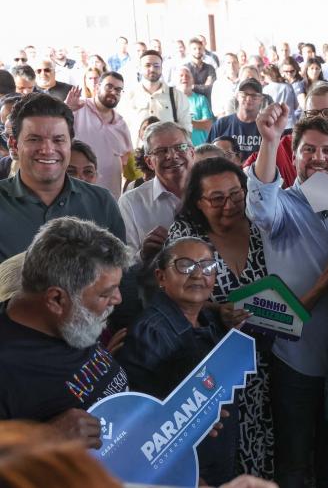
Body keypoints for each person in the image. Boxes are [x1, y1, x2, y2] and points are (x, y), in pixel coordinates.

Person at [247, 105, 328, 488]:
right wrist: (269, 140)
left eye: (327, 150)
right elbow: (260, 203)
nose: (318, 158)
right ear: (294, 157)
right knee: (292, 462)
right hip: (294, 360)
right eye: (308, 150)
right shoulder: (281, 207)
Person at [165, 157, 273, 477]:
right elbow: (174, 292)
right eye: (216, 198)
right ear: (197, 202)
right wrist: (217, 310)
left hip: (263, 357)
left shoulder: (260, 224)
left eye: (236, 195)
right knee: (219, 446)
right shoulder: (186, 235)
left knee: (258, 435)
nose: (229, 205)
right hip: (209, 361)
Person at [117, 236, 237, 485]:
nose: (198, 274)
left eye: (207, 266)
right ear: (161, 277)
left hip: (216, 456)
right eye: (185, 265)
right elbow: (144, 422)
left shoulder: (209, 320)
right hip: (185, 470)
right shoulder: (150, 332)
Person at [0, 217, 130, 446]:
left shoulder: (73, 317)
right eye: (105, 294)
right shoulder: (7, 367)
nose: (117, 299)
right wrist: (43, 439)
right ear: (56, 299)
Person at [0, 93, 125, 261]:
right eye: (34, 139)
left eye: (58, 140)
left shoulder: (101, 202)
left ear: (70, 144)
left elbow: (121, 271)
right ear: (14, 144)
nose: (47, 149)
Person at [244, 83, 328, 188]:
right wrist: (269, 141)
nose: (320, 120)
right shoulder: (285, 146)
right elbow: (248, 172)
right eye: (312, 114)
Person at [118, 121, 194, 259]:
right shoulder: (131, 203)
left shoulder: (212, 193)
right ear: (149, 162)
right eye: (161, 151)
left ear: (192, 153)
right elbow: (124, 263)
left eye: (180, 147)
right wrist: (144, 254)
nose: (172, 156)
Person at [65, 71, 132, 197]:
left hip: (109, 196)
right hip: (77, 192)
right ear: (97, 87)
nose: (113, 92)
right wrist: (66, 109)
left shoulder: (121, 124)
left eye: (118, 90)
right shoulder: (78, 107)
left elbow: (126, 159)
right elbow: (52, 131)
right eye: (109, 87)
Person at [118, 50, 192, 140]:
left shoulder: (177, 96)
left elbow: (186, 129)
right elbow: (120, 129)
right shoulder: (128, 96)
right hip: (136, 148)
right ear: (140, 68)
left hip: (167, 148)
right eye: (147, 65)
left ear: (161, 68)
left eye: (156, 66)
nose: (152, 69)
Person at [206, 78, 266, 161]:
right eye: (244, 94)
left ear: (261, 99)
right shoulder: (221, 124)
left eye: (254, 96)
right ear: (237, 96)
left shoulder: (267, 127)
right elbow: (207, 155)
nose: (248, 98)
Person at [175, 66, 215, 145]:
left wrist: (186, 121)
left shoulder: (201, 99)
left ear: (192, 80)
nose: (184, 78)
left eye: (187, 76)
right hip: (178, 147)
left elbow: (208, 124)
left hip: (200, 147)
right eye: (181, 75)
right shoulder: (171, 100)